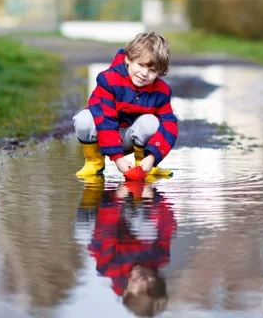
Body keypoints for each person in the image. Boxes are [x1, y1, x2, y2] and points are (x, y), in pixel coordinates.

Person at [73, 32, 178, 178]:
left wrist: (152, 157)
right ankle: (94, 161)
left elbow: (169, 126)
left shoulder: (162, 92)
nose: (144, 73)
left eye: (152, 70)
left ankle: (144, 165)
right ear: (128, 58)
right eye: (140, 65)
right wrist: (117, 158)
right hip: (103, 134)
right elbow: (105, 121)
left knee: (151, 122)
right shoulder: (108, 80)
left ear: (160, 72)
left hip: (130, 137)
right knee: (83, 119)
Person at [86, 181, 177, 317]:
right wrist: (153, 200)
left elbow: (105, 231)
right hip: (137, 209)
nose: (144, 281)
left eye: (140, 290)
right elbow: (167, 224)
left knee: (81, 232)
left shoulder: (109, 267)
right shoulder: (159, 256)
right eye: (151, 283)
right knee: (147, 231)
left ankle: (91, 194)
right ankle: (141, 188)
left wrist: (116, 199)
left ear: (126, 292)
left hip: (107, 207)